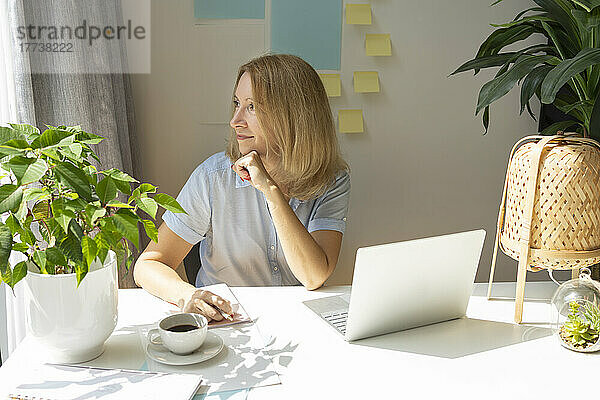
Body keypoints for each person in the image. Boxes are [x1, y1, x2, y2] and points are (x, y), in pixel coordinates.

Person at [133, 54, 350, 322]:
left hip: (295, 321)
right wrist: (187, 294)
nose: (235, 120)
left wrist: (270, 190)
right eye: (237, 103)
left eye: (252, 107)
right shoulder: (212, 178)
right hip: (227, 324)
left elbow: (314, 275)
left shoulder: (331, 180)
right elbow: (148, 264)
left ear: (293, 116)